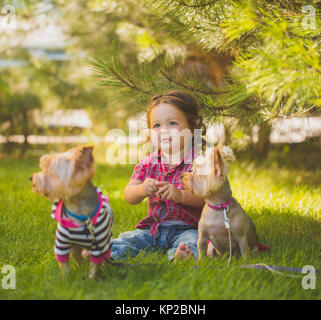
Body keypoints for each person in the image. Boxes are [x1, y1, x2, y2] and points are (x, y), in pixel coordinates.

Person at [111, 90, 206, 262]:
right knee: (129, 238)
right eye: (156, 125)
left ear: (192, 129)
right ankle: (107, 253)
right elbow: (129, 195)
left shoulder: (198, 162)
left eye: (172, 123)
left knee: (193, 241)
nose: (164, 131)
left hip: (188, 228)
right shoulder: (148, 163)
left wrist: (180, 195)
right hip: (153, 229)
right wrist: (141, 189)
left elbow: (205, 198)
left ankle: (182, 256)